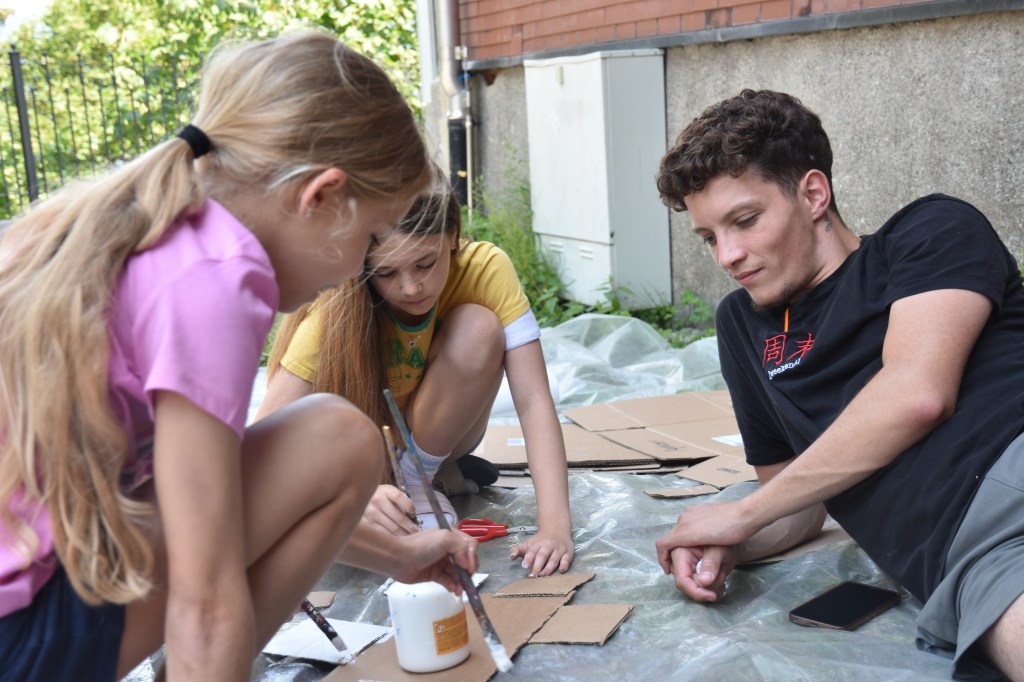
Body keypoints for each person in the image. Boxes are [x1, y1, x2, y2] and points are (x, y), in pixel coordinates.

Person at [0, 30, 479, 682]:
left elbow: (210, 501)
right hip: (25, 641)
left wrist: (399, 554)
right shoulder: (219, 282)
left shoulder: (164, 230)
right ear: (320, 198)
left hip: (33, 600)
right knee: (341, 440)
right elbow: (205, 605)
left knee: (337, 440)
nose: (356, 272)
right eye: (369, 237)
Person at [652, 89, 1024, 681]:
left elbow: (918, 394)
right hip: (976, 564)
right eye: (709, 237)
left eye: (744, 221)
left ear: (813, 194)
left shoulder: (929, 231)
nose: (727, 255)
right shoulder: (742, 327)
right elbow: (798, 505)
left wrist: (742, 513)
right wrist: (731, 542)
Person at [258, 178, 576, 578]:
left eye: (426, 263)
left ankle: (417, 481)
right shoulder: (336, 307)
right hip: (353, 457)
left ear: (453, 236)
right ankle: (416, 487)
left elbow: (533, 401)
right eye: (386, 272)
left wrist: (555, 528)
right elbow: (262, 448)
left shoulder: (486, 268)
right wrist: (348, 497)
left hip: (436, 438)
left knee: (479, 327)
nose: (411, 288)